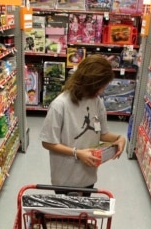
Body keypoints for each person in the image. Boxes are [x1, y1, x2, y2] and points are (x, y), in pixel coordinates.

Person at [40, 55, 127, 192]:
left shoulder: (96, 101)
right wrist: (77, 153)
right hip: (65, 179)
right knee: (66, 213)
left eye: (103, 87)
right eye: (99, 87)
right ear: (87, 82)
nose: (101, 91)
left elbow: (102, 134)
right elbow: (48, 142)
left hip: (88, 175)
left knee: (83, 213)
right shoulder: (60, 105)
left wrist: (119, 139)